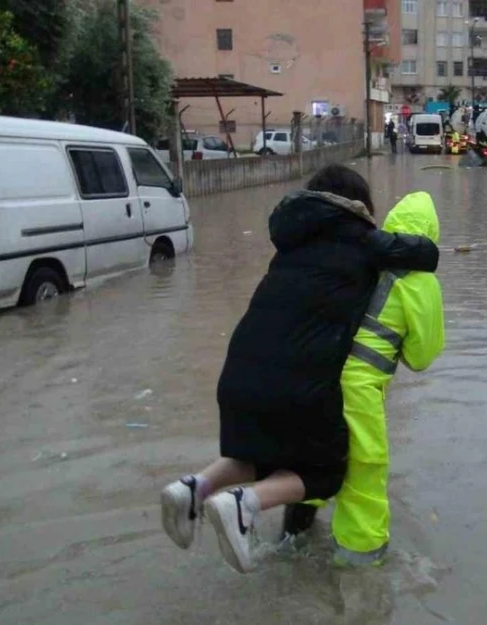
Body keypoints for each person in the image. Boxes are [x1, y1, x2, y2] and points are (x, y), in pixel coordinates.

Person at [159, 165, 439, 573]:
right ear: (358, 208)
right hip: (311, 385)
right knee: (329, 472)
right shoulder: (367, 246)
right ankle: (248, 506)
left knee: (268, 456)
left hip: (241, 372)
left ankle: (195, 488)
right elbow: (424, 264)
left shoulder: (290, 246)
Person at [281, 192, 446, 566]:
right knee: (364, 472)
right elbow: (422, 357)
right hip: (357, 390)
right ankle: (360, 569)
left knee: (312, 460)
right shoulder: (420, 283)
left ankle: (290, 544)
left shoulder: (359, 257)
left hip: (315, 374)